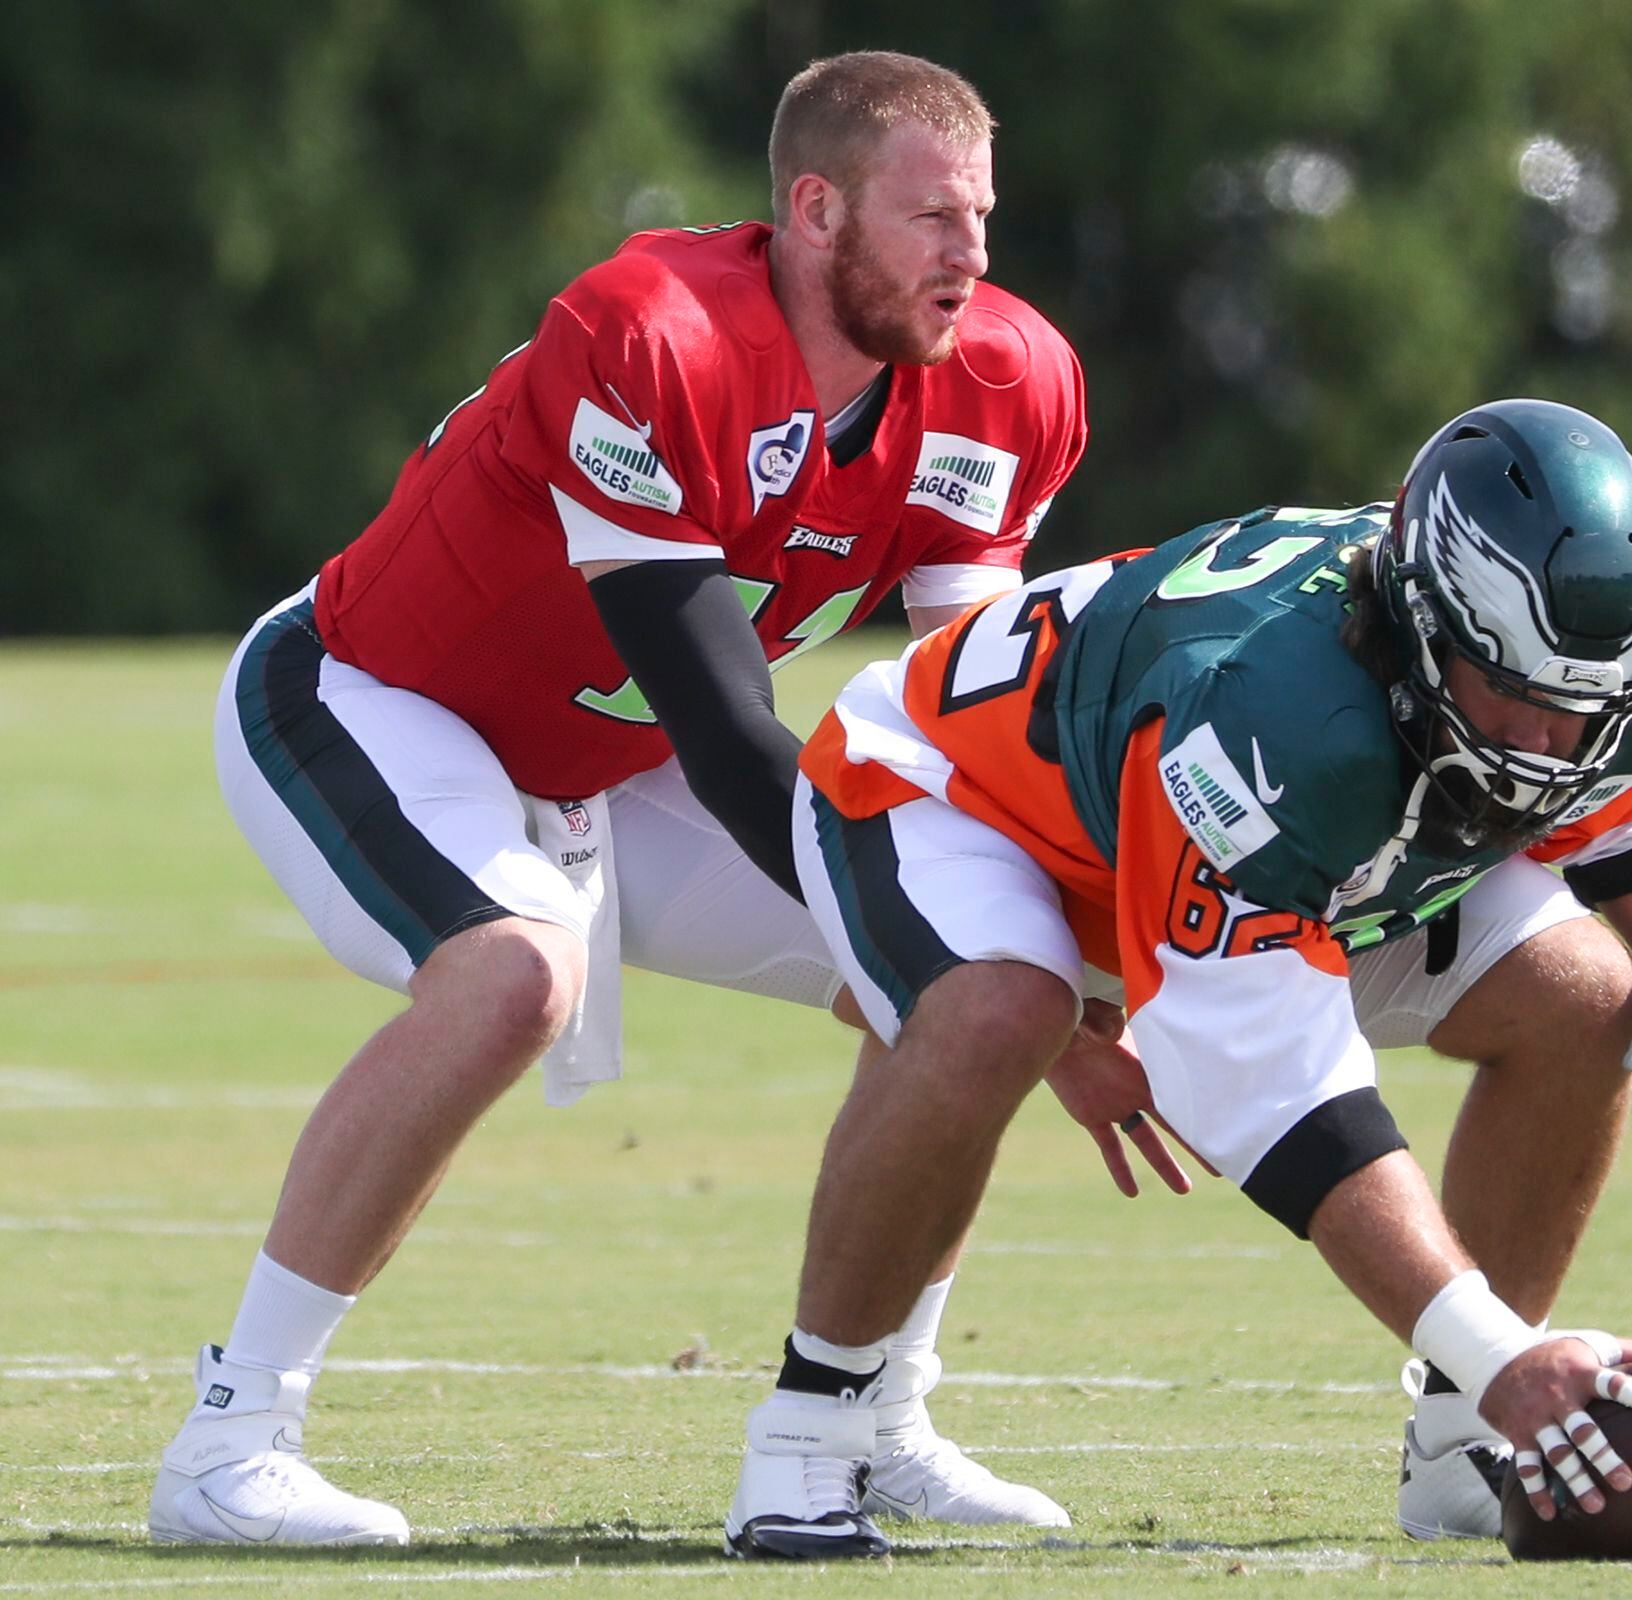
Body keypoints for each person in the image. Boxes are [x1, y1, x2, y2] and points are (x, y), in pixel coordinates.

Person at [152, 51, 1105, 1548]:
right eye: (932, 218)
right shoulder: (647, 332)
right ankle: (229, 1438)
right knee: (511, 975)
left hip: (613, 754)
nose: (971, 255)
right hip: (380, 698)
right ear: (814, 211)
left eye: (982, 215)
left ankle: (873, 1419)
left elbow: (979, 721)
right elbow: (729, 732)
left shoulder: (1004, 381)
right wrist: (925, 921)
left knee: (982, 978)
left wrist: (1067, 948)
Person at [723, 397, 1632, 1558]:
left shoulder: (1599, 667)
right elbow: (1283, 1101)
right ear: (1425, 628)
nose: (1544, 744)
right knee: (1002, 1009)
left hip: (1242, 832)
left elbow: (1623, 791)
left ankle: (1463, 1446)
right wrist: (1501, 1351)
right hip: (954, 795)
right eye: (1513, 698)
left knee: (1588, 995)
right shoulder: (1270, 712)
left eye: (1579, 707)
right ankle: (811, 1434)